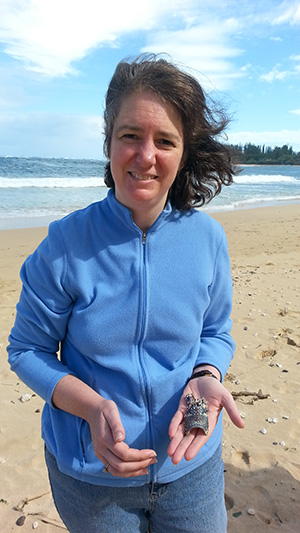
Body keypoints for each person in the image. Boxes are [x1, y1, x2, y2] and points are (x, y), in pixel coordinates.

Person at [7, 54, 244, 533]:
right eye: (130, 135)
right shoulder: (63, 246)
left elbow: (215, 332)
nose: (146, 155)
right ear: (108, 142)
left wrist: (204, 380)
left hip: (190, 466)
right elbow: (27, 351)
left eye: (165, 141)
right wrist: (92, 409)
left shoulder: (208, 240)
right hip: (91, 482)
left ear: (183, 152)